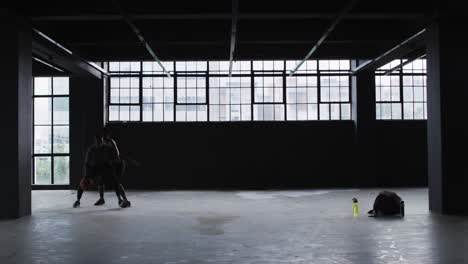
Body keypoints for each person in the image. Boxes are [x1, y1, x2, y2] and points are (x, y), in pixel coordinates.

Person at [102, 127, 131, 208]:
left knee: (117, 182)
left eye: (106, 134)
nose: (105, 135)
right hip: (113, 164)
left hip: (118, 164)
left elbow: (115, 153)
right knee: (115, 183)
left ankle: (125, 200)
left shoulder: (110, 142)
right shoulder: (104, 142)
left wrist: (112, 160)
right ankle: (120, 199)